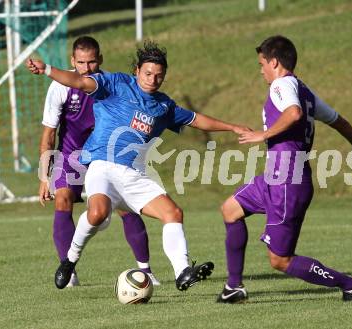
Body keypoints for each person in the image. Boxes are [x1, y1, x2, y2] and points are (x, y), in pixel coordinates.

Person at [28, 40, 251, 291]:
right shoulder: (115, 84)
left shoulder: (164, 106)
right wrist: (46, 68)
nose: (152, 79)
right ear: (137, 71)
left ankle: (182, 272)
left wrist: (232, 127)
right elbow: (79, 81)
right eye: (147, 73)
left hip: (133, 174)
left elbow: (196, 119)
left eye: (158, 75)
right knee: (97, 214)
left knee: (173, 214)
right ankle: (69, 260)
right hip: (101, 166)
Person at [217, 35, 352, 303]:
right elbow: (339, 121)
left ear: (274, 62)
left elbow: (293, 113)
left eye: (262, 63)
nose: (261, 70)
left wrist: (262, 135)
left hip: (287, 181)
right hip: (276, 177)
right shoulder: (304, 90)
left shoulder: (281, 85)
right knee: (230, 210)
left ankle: (350, 285)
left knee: (280, 260)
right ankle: (233, 287)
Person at [38, 36, 160, 287]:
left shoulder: (110, 85)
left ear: (100, 60)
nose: (86, 68)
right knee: (62, 200)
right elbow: (49, 133)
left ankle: (146, 270)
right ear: (73, 61)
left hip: (104, 154)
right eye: (81, 62)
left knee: (126, 206)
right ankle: (68, 270)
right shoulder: (61, 86)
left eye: (92, 62)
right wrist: (44, 176)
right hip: (70, 154)